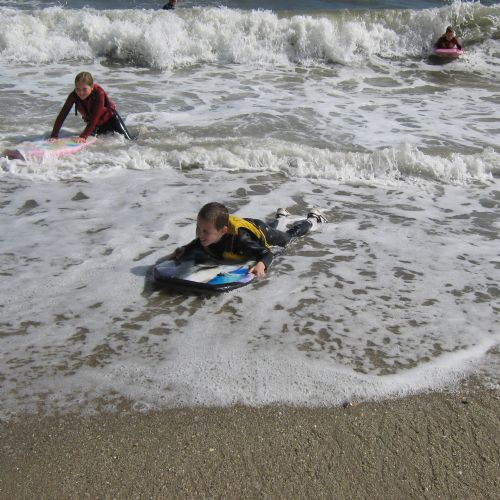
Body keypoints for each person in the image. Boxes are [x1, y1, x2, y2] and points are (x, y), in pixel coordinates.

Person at [164, 202, 327, 278]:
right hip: (249, 225)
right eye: (198, 228)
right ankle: (281, 216)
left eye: (205, 231)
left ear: (223, 231)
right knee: (273, 228)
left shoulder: (241, 240)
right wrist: (183, 250)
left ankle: (313, 219)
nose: (200, 234)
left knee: (289, 236)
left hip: (262, 233)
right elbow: (195, 244)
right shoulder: (206, 237)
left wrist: (261, 264)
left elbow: (266, 253)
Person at [50, 71, 132, 143]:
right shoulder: (73, 95)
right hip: (95, 124)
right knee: (97, 145)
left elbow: (95, 117)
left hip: (111, 120)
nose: (81, 92)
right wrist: (54, 135)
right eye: (77, 89)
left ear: (92, 87)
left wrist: (83, 136)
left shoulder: (99, 93)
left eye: (84, 89)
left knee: (128, 141)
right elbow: (62, 115)